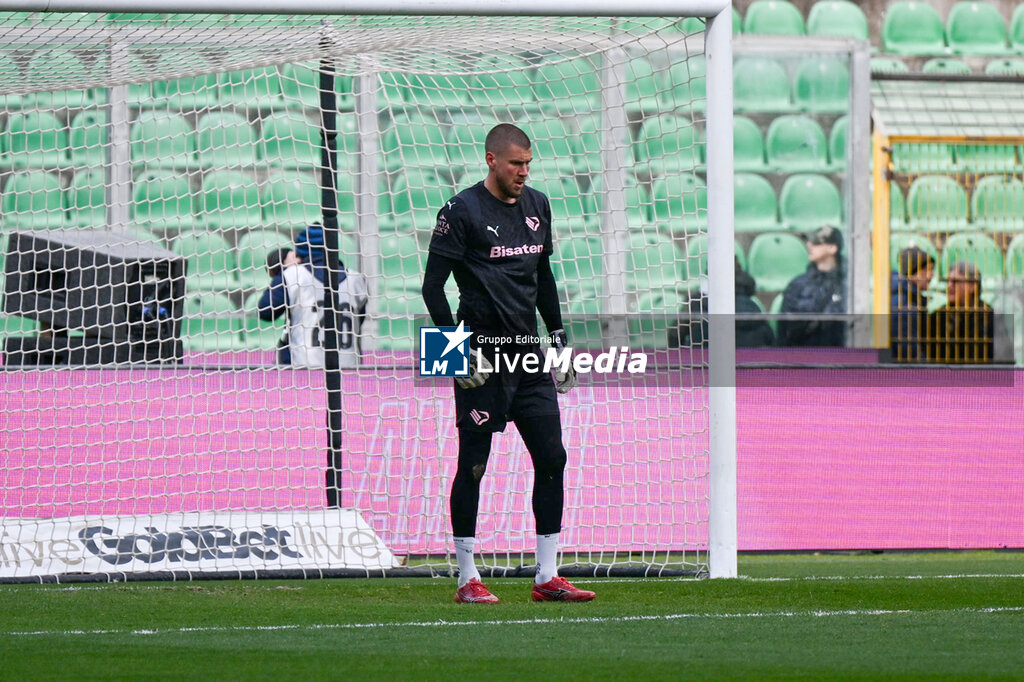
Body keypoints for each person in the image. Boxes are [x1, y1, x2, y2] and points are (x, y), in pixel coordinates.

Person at [420, 123, 595, 604]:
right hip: (481, 356)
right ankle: (467, 579)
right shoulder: (459, 211)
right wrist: (450, 351)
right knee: (473, 465)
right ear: (491, 159)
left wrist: (558, 339)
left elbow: (543, 277)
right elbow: (432, 288)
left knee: (553, 458)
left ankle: (547, 577)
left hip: (529, 356)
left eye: (529, 164)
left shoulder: (538, 205)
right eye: (516, 163)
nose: (524, 171)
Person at [258, 243, 367, 369]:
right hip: (348, 363)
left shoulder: (294, 278)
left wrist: (283, 276)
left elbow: (266, 311)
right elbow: (359, 318)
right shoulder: (354, 279)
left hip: (304, 364)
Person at [777, 224, 847, 347]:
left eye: (817, 242)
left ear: (832, 248)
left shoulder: (848, 285)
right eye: (809, 241)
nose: (809, 245)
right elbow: (784, 329)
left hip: (839, 356)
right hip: (802, 355)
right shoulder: (798, 285)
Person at [925, 261, 994, 363]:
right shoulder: (937, 317)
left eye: (955, 282)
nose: (949, 286)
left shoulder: (990, 317)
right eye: (948, 281)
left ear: (972, 286)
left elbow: (1003, 361)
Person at [889, 246, 935, 362]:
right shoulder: (904, 305)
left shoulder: (909, 298)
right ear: (914, 271)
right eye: (928, 270)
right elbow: (909, 352)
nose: (931, 275)